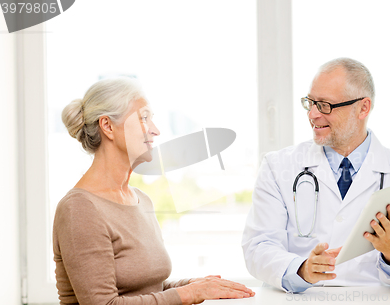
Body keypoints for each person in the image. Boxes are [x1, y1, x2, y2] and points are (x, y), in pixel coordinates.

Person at [54, 77, 255, 305]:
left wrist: (195, 286)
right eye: (143, 118)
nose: (156, 130)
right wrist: (188, 294)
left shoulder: (141, 200)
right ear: (108, 126)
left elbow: (149, 290)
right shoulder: (80, 209)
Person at [242, 58, 390, 292]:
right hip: (302, 298)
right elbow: (258, 247)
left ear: (363, 108)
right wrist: (301, 270)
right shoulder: (277, 166)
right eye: (310, 103)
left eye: (325, 105)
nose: (313, 115)